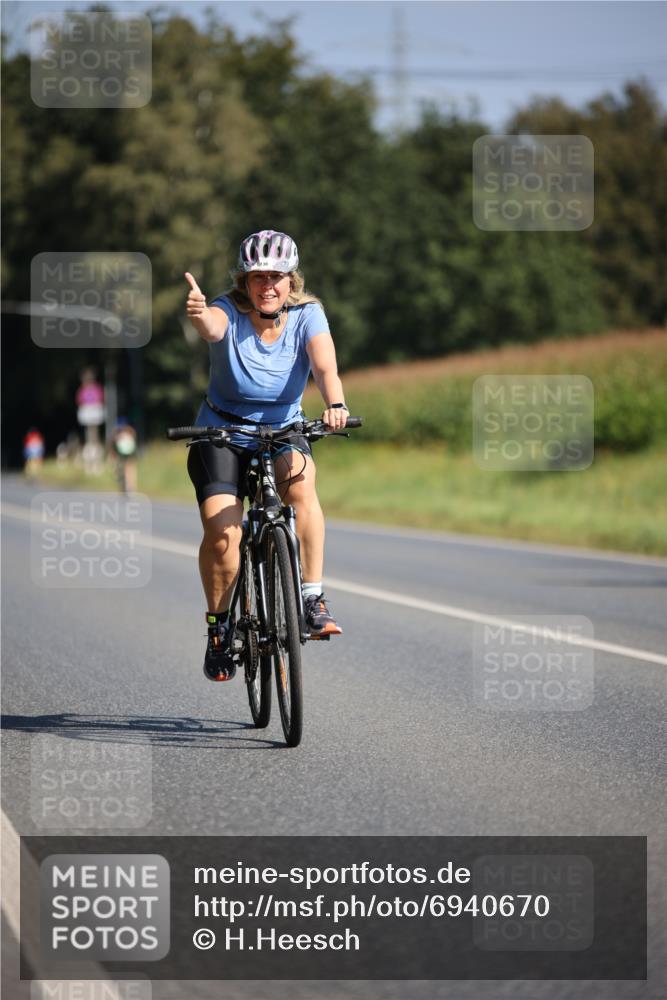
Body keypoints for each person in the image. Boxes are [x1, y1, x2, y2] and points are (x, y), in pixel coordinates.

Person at [184, 230, 349, 681]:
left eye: (276, 277)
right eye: (258, 277)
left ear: (291, 281)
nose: (267, 285)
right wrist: (199, 316)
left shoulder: (307, 314)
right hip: (219, 433)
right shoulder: (225, 308)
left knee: (301, 487)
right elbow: (213, 328)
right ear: (244, 282)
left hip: (283, 429)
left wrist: (335, 404)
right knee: (223, 537)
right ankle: (219, 629)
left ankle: (312, 598)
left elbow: (325, 366)